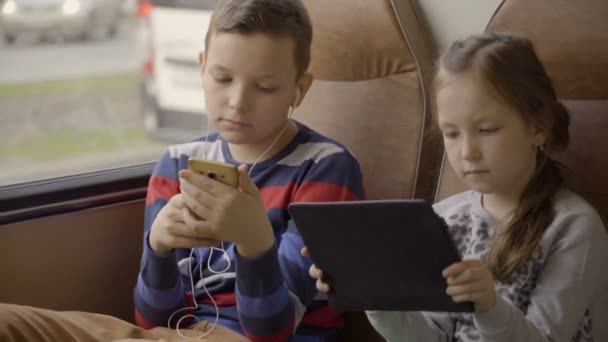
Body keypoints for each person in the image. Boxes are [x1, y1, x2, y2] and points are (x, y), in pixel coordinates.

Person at [0, 1, 364, 341]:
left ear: (299, 90)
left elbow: (271, 330)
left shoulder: (325, 167)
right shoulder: (177, 163)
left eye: (265, 87)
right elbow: (153, 320)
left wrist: (255, 244)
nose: (238, 102)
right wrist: (158, 249)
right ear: (203, 68)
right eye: (222, 78)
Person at [306, 32, 608, 342]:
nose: (467, 152)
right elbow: (430, 337)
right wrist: (375, 297)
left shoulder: (574, 228)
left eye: (486, 129)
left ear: (538, 127)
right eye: (451, 134)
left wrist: (489, 307)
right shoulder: (442, 219)